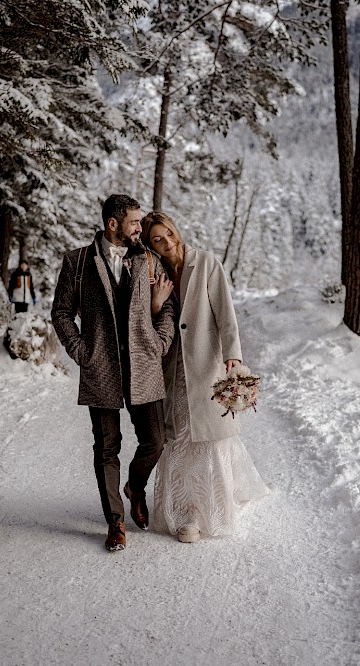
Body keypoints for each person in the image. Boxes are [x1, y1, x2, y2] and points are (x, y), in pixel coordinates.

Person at [51, 195, 176, 552]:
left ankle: (135, 486)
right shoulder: (77, 262)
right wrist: (81, 352)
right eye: (135, 222)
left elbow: (166, 304)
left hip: (144, 365)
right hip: (101, 368)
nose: (141, 228)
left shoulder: (148, 258)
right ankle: (115, 522)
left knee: (155, 440)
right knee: (107, 448)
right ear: (113, 224)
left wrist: (161, 341)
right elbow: (61, 313)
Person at [141, 211, 269, 544]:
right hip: (172, 369)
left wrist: (233, 355)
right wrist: (156, 304)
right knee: (180, 436)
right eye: (157, 239)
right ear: (150, 244)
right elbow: (149, 317)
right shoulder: (154, 271)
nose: (167, 242)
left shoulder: (206, 262)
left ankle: (202, 512)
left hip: (205, 363)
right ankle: (184, 510)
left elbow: (226, 312)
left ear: (176, 229)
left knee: (208, 438)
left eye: (168, 233)